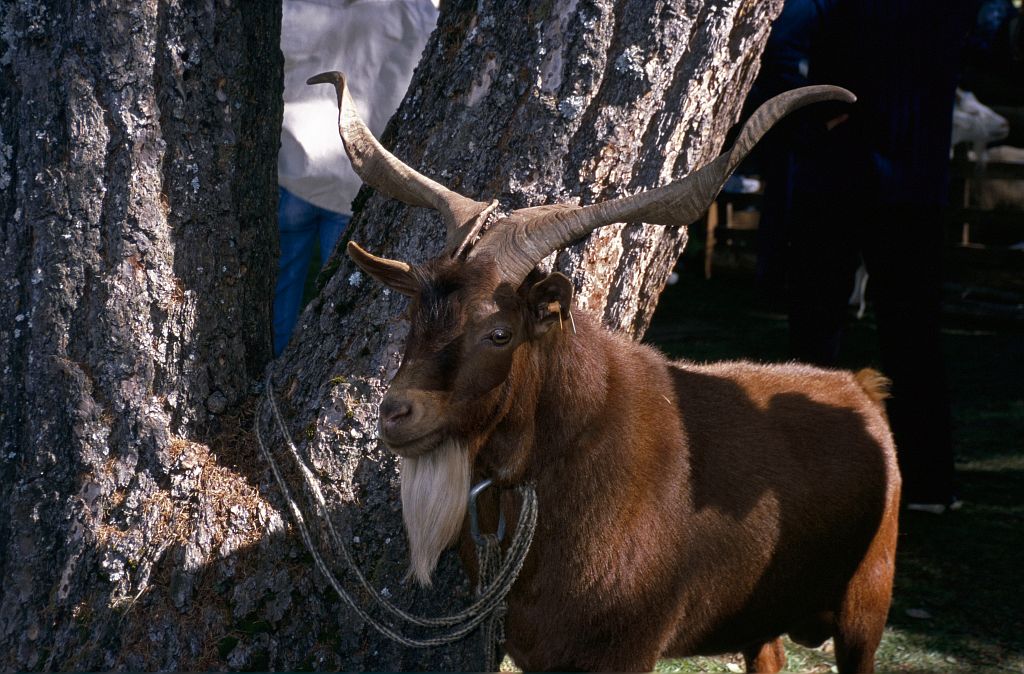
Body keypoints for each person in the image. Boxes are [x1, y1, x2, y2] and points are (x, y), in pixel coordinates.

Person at [752, 0, 981, 512]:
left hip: (875, 176)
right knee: (843, 334)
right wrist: (812, 122)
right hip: (873, 177)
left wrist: (811, 125)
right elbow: (781, 47)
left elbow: (784, 44)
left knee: (863, 334)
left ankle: (904, 480)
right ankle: (898, 480)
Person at [275, 0, 439, 356]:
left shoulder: (296, 6)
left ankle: (272, 375)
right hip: (360, 180)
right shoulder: (420, 12)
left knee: (280, 293)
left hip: (295, 169)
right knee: (342, 307)